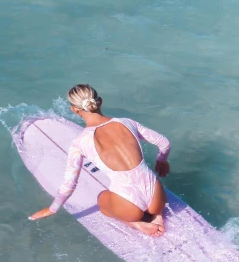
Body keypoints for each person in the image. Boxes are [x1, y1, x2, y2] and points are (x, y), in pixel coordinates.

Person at [29, 84, 170, 237]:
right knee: (149, 182)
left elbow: (69, 185)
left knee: (102, 198)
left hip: (129, 208)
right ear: (100, 101)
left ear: (74, 110)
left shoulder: (80, 142)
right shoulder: (127, 122)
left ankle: (137, 224)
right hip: (157, 198)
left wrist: (52, 209)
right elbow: (164, 143)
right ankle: (156, 215)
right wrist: (162, 160)